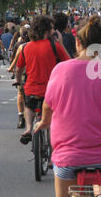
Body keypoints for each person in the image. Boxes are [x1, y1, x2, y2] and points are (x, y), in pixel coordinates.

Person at [33, 15, 101, 197]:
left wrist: (45, 122)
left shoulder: (60, 70)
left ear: (77, 42)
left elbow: (47, 106)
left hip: (67, 158)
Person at [15, 16, 70, 144]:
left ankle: (28, 128)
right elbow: (69, 63)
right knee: (53, 118)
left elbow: (18, 69)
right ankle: (52, 154)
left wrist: (18, 81)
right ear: (46, 30)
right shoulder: (55, 46)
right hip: (51, 90)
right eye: (52, 28)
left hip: (32, 87)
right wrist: (61, 44)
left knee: (29, 106)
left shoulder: (26, 47)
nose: (53, 31)